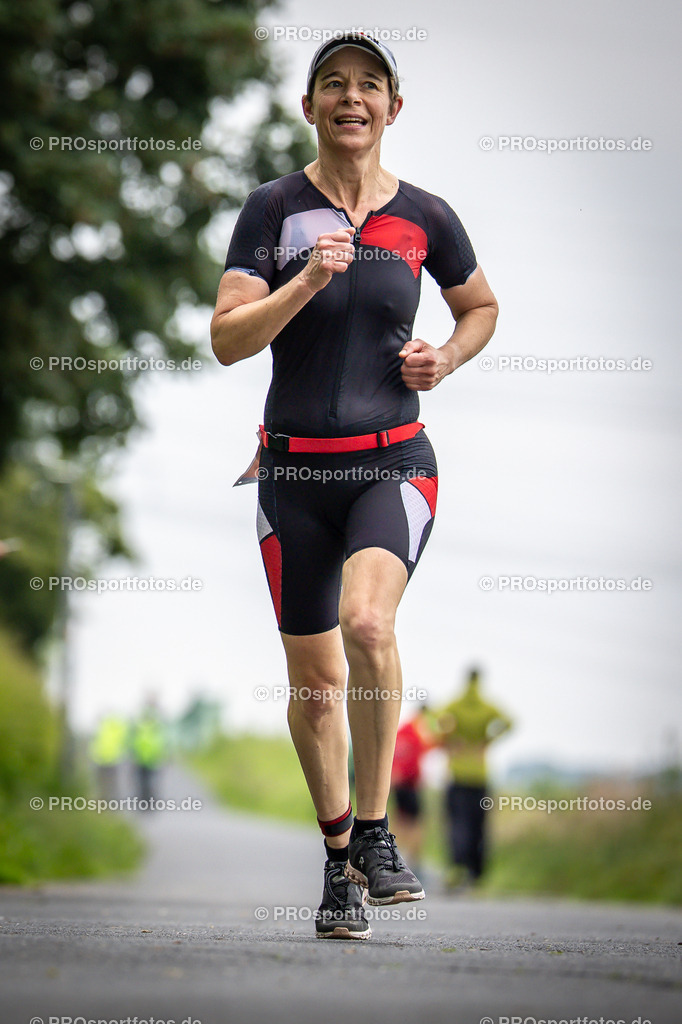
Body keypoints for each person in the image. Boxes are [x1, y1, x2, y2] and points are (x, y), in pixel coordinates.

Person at [211, 32, 498, 939]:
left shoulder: (427, 216)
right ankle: (338, 860)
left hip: (392, 460)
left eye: (369, 84)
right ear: (310, 107)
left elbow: (480, 305)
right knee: (316, 683)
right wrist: (304, 280)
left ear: (392, 108)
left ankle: (375, 833)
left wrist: (446, 357)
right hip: (294, 472)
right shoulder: (273, 208)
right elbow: (227, 339)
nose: (351, 97)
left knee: (369, 625)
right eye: (333, 83)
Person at [438, 668, 513, 889]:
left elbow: (432, 718)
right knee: (479, 826)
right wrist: (488, 740)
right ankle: (477, 874)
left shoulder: (455, 704)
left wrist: (449, 739)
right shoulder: (487, 705)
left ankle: (456, 868)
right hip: (480, 774)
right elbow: (509, 722)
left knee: (457, 824)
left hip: (458, 774)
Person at [390, 704, 438, 878]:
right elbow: (428, 745)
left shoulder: (403, 730)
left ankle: (395, 856)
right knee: (415, 823)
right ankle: (411, 861)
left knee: (401, 819)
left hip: (399, 781)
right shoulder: (417, 730)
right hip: (409, 783)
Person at [129, 698, 168, 808]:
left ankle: (149, 802)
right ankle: (145, 802)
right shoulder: (142, 725)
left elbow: (163, 742)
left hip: (151, 758)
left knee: (150, 782)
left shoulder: (156, 725)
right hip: (142, 758)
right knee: (143, 783)